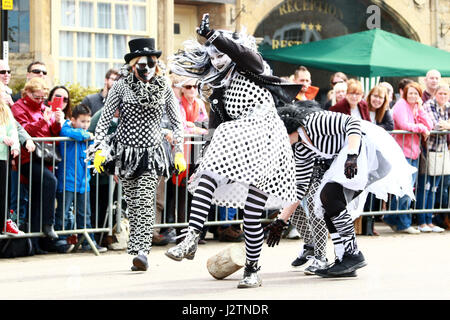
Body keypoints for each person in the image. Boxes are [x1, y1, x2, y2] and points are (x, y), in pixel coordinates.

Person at [165, 14, 301, 288]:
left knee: (252, 213)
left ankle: (252, 269)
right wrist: (203, 166)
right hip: (238, 139)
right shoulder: (216, 89)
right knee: (205, 178)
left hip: (266, 138)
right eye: (212, 54)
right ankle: (191, 237)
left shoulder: (253, 66)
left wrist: (215, 36)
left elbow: (242, 52)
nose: (217, 58)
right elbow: (215, 130)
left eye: (221, 52)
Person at [265, 102, 416, 277]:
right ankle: (344, 259)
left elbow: (353, 124)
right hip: (348, 158)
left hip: (365, 151)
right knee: (325, 202)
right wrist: (281, 221)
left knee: (329, 195)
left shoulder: (314, 121)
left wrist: (352, 155)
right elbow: (300, 189)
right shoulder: (300, 150)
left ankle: (352, 254)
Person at [87, 37, 186, 271]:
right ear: (133, 65)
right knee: (133, 203)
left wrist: (179, 151)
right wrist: (100, 149)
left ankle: (142, 252)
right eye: (143, 65)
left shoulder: (164, 87)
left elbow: (177, 122)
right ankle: (137, 249)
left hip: (152, 152)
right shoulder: (120, 87)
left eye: (152, 64)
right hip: (125, 153)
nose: (148, 69)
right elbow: (103, 120)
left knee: (145, 199)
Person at [11, 77, 63, 253]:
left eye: (43, 98)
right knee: (50, 182)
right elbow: (23, 132)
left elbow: (51, 132)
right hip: (27, 158)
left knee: (37, 199)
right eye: (37, 97)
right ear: (27, 93)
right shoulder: (18, 107)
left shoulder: (43, 108)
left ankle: (35, 243)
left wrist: (56, 122)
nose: (40, 101)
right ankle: (48, 225)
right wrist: (43, 120)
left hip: (44, 157)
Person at [55, 104, 108, 253]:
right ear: (73, 119)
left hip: (84, 181)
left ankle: (87, 241)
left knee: (85, 213)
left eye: (87, 122)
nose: (85, 125)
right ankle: (60, 240)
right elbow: (67, 131)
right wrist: (87, 135)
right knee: (63, 213)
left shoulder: (88, 136)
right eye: (82, 122)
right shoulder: (67, 129)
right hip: (67, 180)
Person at [383, 82, 433, 234]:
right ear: (405, 93)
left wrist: (421, 109)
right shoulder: (400, 105)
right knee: (404, 189)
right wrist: (421, 128)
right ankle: (402, 222)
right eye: (410, 93)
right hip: (402, 152)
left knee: (407, 189)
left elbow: (429, 124)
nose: (413, 96)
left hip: (414, 152)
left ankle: (394, 219)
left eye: (416, 93)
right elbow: (404, 124)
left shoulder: (416, 107)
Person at [415, 83, 449, 233]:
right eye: (440, 93)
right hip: (428, 150)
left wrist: (446, 125)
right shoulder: (429, 105)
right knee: (425, 187)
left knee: (434, 188)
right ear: (435, 94)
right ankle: (422, 221)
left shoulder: (447, 107)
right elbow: (434, 125)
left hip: (442, 150)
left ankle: (429, 220)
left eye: (445, 94)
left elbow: (444, 125)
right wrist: (445, 125)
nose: (443, 96)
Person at [0, 98, 20, 235]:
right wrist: (1, 138)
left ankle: (4, 223)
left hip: (2, 157)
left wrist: (15, 146)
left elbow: (12, 129)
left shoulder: (5, 110)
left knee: (2, 193)